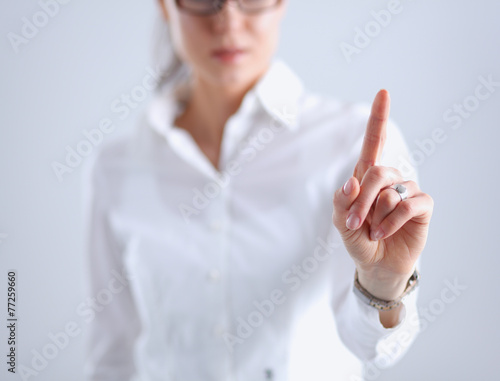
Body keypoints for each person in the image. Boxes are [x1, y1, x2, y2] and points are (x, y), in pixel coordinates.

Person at [81, 0, 434, 380]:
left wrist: (383, 283)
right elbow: (112, 353)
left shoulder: (352, 145)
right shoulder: (116, 167)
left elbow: (378, 349)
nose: (228, 20)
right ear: (166, 6)